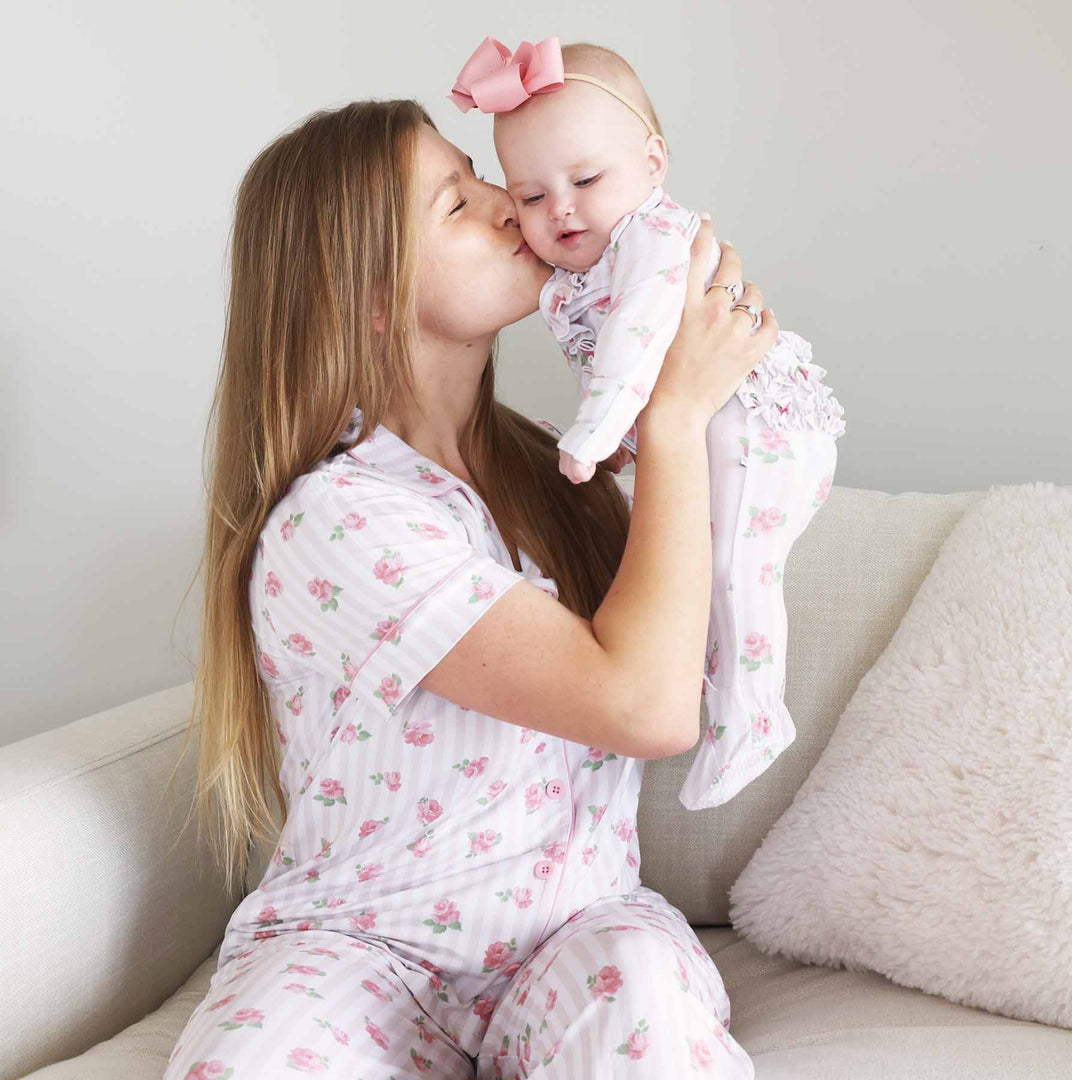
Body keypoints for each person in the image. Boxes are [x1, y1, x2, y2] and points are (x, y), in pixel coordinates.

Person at [163, 95, 777, 1079]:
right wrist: (674, 413)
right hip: (367, 946)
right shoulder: (338, 520)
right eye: (456, 203)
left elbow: (687, 667)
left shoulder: (562, 471)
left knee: (646, 1005)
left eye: (480, 176)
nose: (508, 204)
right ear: (367, 297)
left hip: (576, 932)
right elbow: (643, 706)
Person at [449, 37, 846, 809]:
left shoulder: (655, 238)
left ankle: (755, 715)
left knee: (736, 569)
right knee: (703, 572)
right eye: (529, 196)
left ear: (653, 162)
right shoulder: (581, 270)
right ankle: (719, 689)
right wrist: (621, 442)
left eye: (585, 180)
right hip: (714, 426)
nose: (559, 209)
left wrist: (596, 432)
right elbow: (639, 379)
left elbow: (635, 344)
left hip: (764, 425)